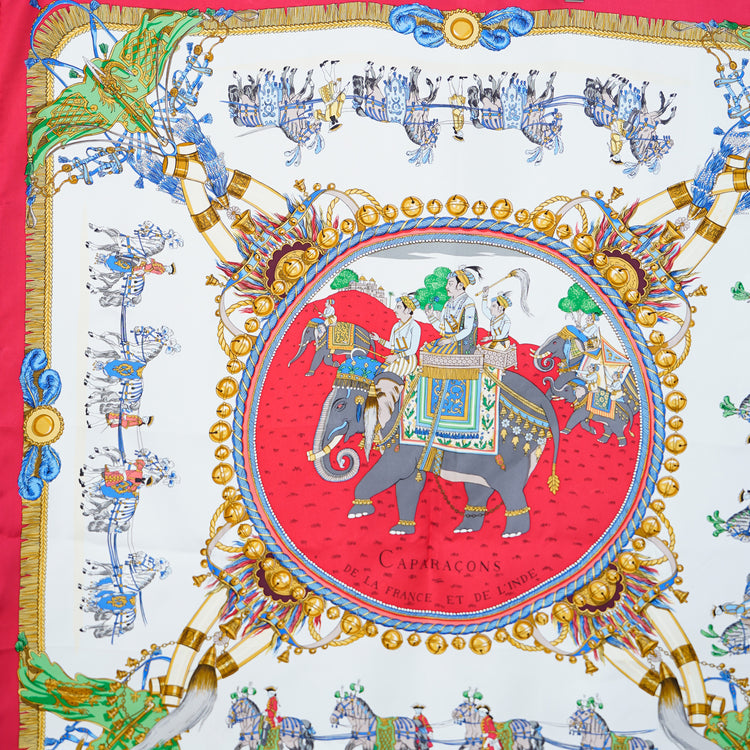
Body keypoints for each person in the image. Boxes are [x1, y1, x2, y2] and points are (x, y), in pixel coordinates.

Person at [423, 266, 481, 355]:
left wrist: (449, 340)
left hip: (459, 344)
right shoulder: (447, 303)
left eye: (450, 284)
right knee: (426, 349)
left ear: (460, 285)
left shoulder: (468, 303)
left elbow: (467, 329)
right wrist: (430, 316)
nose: (446, 287)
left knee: (436, 353)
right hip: (446, 340)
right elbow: (442, 328)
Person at [371, 294, 421, 378]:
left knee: (387, 374)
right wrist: (378, 339)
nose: (394, 310)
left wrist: (395, 356)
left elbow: (412, 350)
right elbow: (392, 345)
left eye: (398, 307)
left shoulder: (415, 326)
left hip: (408, 359)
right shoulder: (396, 326)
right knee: (379, 373)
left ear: (408, 310)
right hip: (395, 357)